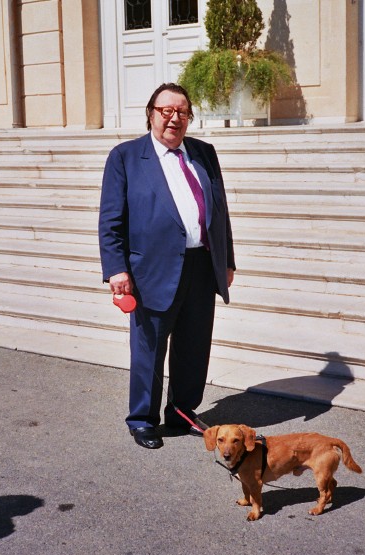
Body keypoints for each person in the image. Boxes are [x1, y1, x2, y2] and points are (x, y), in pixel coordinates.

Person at [98, 83, 235, 449]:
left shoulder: (204, 153)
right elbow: (111, 220)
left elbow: (220, 211)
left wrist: (226, 260)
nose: (175, 118)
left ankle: (181, 412)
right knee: (149, 349)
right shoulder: (126, 157)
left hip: (201, 264)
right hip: (151, 271)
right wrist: (116, 269)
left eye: (183, 112)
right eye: (167, 111)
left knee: (194, 345)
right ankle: (142, 419)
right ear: (151, 114)